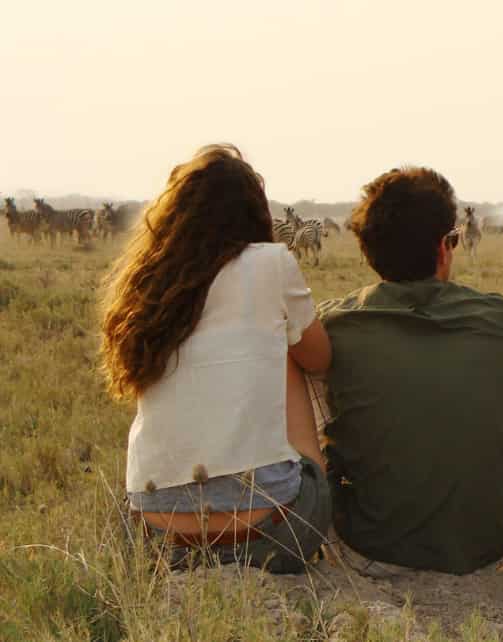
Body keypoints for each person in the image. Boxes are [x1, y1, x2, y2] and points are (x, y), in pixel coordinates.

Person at [102, 144, 332, 573]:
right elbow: (320, 357)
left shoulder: (148, 287)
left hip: (157, 532)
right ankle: (302, 482)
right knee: (288, 351)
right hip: (274, 528)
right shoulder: (271, 261)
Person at [318, 166, 503, 575]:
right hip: (486, 548)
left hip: (373, 548)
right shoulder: (501, 318)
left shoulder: (332, 325)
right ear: (445, 246)